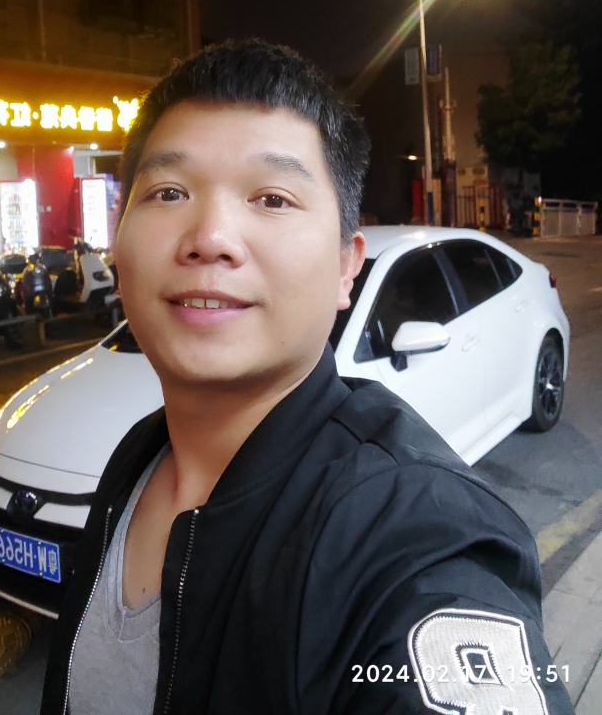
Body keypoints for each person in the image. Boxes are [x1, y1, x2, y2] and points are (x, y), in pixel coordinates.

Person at [41, 40, 572, 715]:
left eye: (272, 198)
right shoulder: (137, 459)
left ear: (347, 267)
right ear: (117, 243)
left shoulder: (413, 533)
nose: (210, 237)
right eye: (169, 192)